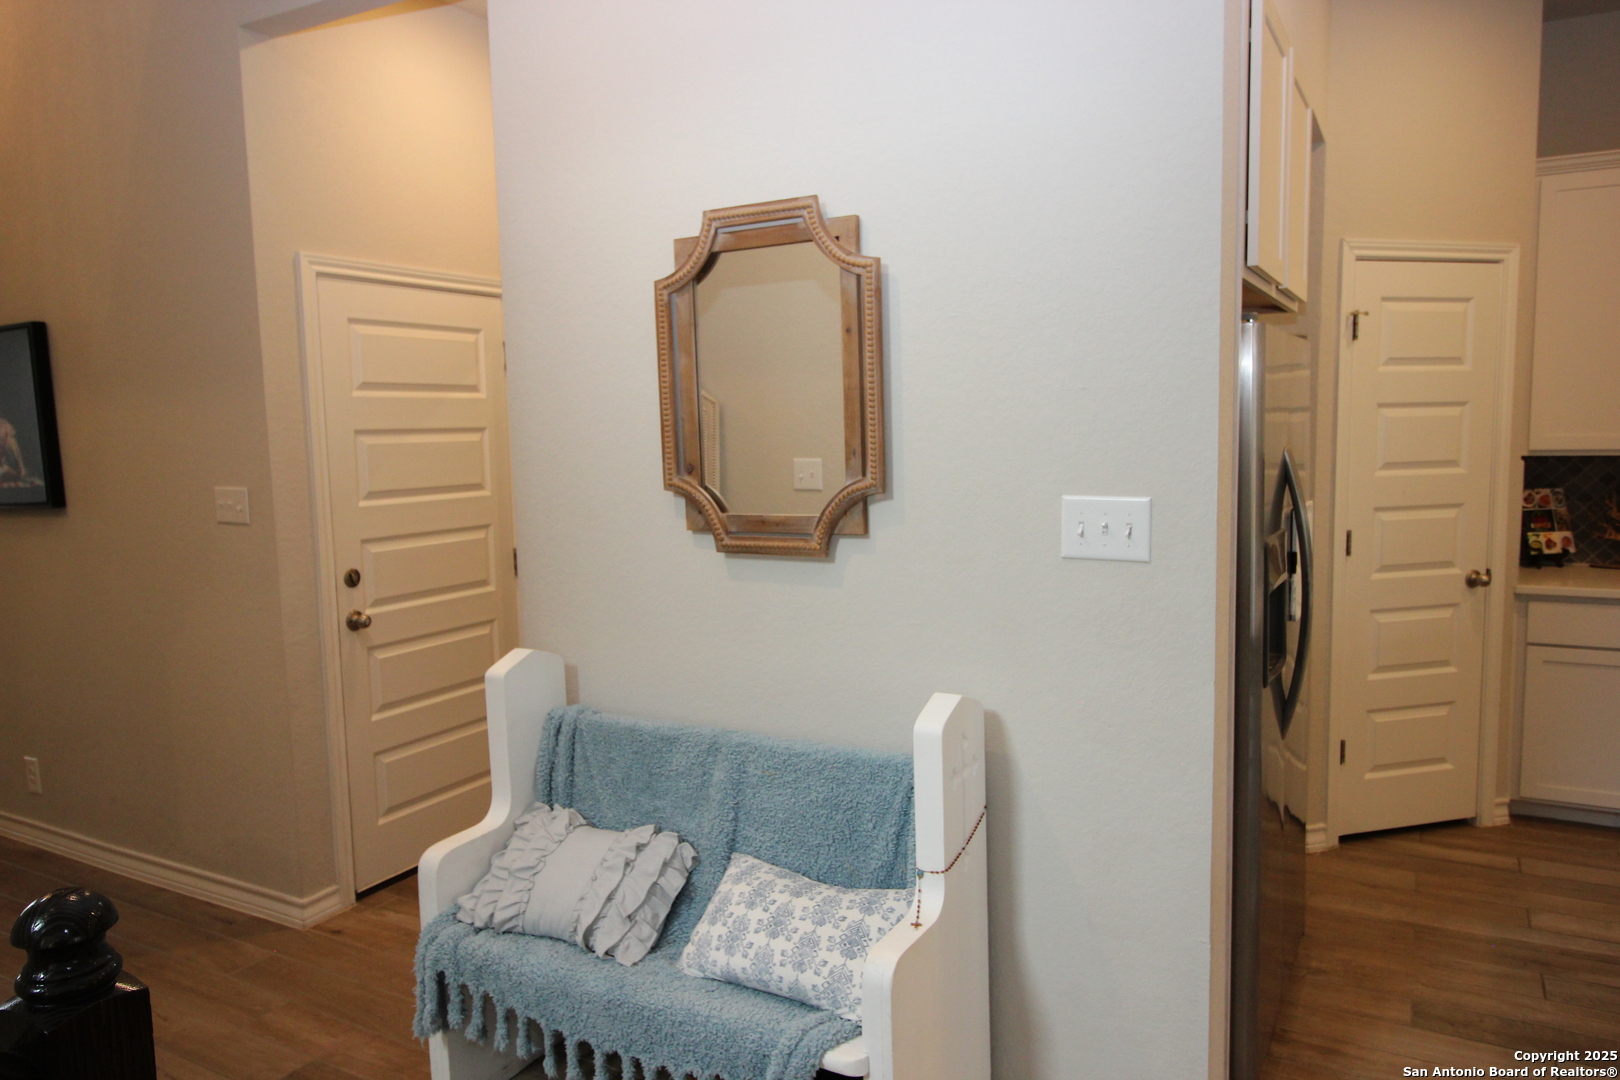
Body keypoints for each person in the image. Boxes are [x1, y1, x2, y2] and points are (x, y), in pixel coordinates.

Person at [0, 415, 30, 482]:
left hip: (4, 459)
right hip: (3, 464)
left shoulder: (3, 425)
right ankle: (17, 474)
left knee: (11, 441)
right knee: (5, 469)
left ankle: (21, 472)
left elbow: (11, 439)